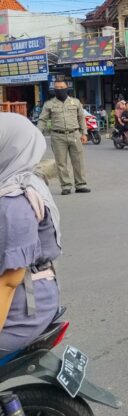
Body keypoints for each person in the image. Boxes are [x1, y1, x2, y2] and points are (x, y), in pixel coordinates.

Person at [0, 113, 62, 355]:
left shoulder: (14, 203)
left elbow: (8, 282)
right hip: (30, 295)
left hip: (20, 311)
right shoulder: (23, 180)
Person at [37, 82, 89, 195]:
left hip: (74, 134)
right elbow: (42, 120)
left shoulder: (75, 102)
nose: (59, 90)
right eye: (57, 88)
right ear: (54, 90)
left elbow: (81, 119)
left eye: (62, 88)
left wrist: (84, 133)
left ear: (67, 88)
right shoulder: (49, 104)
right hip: (58, 136)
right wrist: (37, 134)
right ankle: (66, 186)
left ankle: (81, 185)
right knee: (61, 162)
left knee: (78, 161)